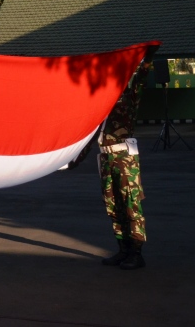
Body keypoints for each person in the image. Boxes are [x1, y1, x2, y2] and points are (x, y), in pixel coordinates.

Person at [66, 55, 155, 270]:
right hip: (105, 159)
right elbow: (88, 139)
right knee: (113, 205)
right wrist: (73, 161)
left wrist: (147, 59)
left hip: (124, 159)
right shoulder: (99, 110)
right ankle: (123, 249)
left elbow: (140, 81)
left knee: (130, 205)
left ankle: (136, 252)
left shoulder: (128, 100)